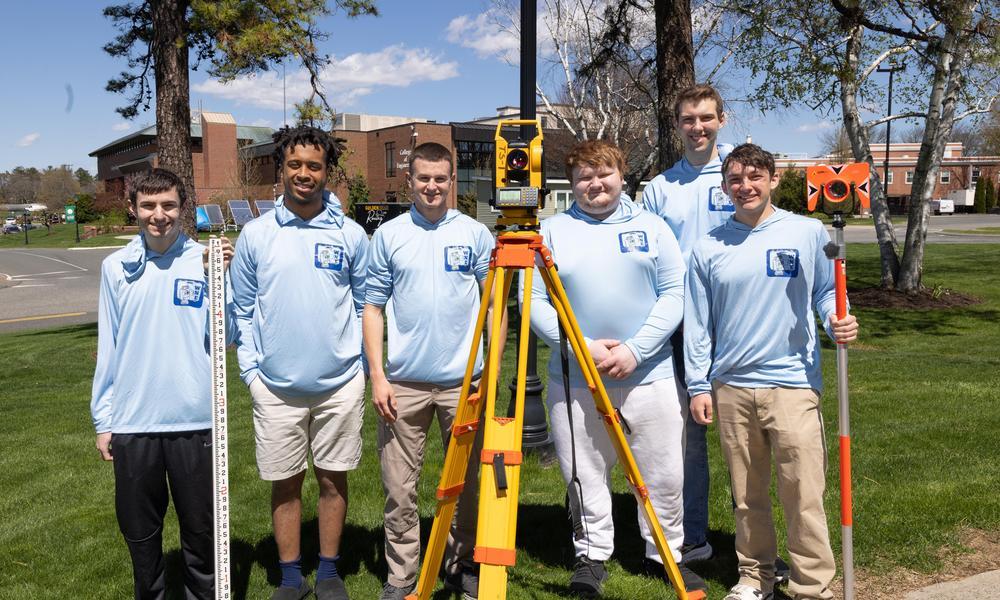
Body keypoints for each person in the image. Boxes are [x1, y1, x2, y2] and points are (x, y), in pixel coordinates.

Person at [525, 139, 706, 598]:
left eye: (603, 173)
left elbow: (673, 293)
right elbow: (535, 303)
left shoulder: (653, 227)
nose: (594, 183)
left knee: (663, 471)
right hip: (576, 376)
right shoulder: (552, 232)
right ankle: (591, 554)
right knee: (582, 471)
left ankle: (666, 552)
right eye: (584, 176)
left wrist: (636, 349)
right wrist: (581, 347)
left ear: (622, 175)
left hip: (650, 373)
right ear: (573, 183)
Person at [684, 144, 859, 600]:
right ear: (725, 187)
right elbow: (699, 323)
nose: (746, 186)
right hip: (731, 386)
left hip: (793, 384)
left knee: (803, 493)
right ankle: (755, 577)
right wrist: (700, 384)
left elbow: (826, 291)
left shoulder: (807, 232)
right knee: (748, 496)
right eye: (736, 180)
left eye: (755, 177)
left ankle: (810, 586)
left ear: (773, 179)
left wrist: (836, 318)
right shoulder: (708, 246)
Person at [229, 126, 369, 600]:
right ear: (281, 169)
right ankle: (291, 577)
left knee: (333, 479)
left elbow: (364, 303)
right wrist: (251, 371)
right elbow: (241, 309)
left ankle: (328, 572)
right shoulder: (256, 234)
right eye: (295, 165)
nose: (304, 174)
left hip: (340, 384)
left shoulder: (350, 234)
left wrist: (363, 369)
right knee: (285, 485)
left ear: (326, 171)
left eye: (314, 166)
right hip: (275, 387)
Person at [363, 142, 498, 600]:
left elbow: (494, 303)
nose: (432, 187)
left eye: (441, 178)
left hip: (465, 383)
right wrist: (378, 376)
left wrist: (492, 367)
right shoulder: (390, 235)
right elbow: (373, 308)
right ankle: (402, 576)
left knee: (466, 484)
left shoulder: (477, 234)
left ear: (452, 178)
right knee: (399, 488)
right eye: (424, 178)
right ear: (410, 180)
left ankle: (460, 565)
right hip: (403, 383)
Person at [91, 168, 234, 599]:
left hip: (195, 423)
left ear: (182, 208)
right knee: (141, 539)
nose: (159, 215)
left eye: (168, 205)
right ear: (133, 208)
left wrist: (219, 281)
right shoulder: (115, 268)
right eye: (149, 206)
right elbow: (108, 346)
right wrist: (104, 419)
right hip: (135, 424)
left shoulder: (205, 259)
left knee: (202, 537)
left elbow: (226, 336)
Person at [640, 83, 733, 565]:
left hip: (737, 324)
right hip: (679, 328)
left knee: (748, 439)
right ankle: (693, 538)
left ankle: (753, 545)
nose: (697, 127)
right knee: (687, 440)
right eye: (688, 119)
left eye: (706, 118)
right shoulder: (660, 188)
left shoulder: (741, 175)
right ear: (677, 125)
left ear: (722, 120)